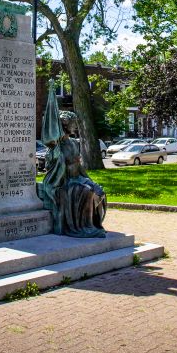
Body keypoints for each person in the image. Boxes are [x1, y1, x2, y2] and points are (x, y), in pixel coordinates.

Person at [37, 83, 107, 238]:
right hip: (63, 183)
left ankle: (92, 224)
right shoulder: (56, 147)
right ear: (64, 126)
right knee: (86, 192)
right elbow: (52, 169)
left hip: (77, 179)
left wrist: (89, 180)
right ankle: (85, 227)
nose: (75, 127)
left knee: (97, 190)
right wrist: (56, 155)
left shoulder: (74, 143)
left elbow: (79, 166)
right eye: (73, 124)